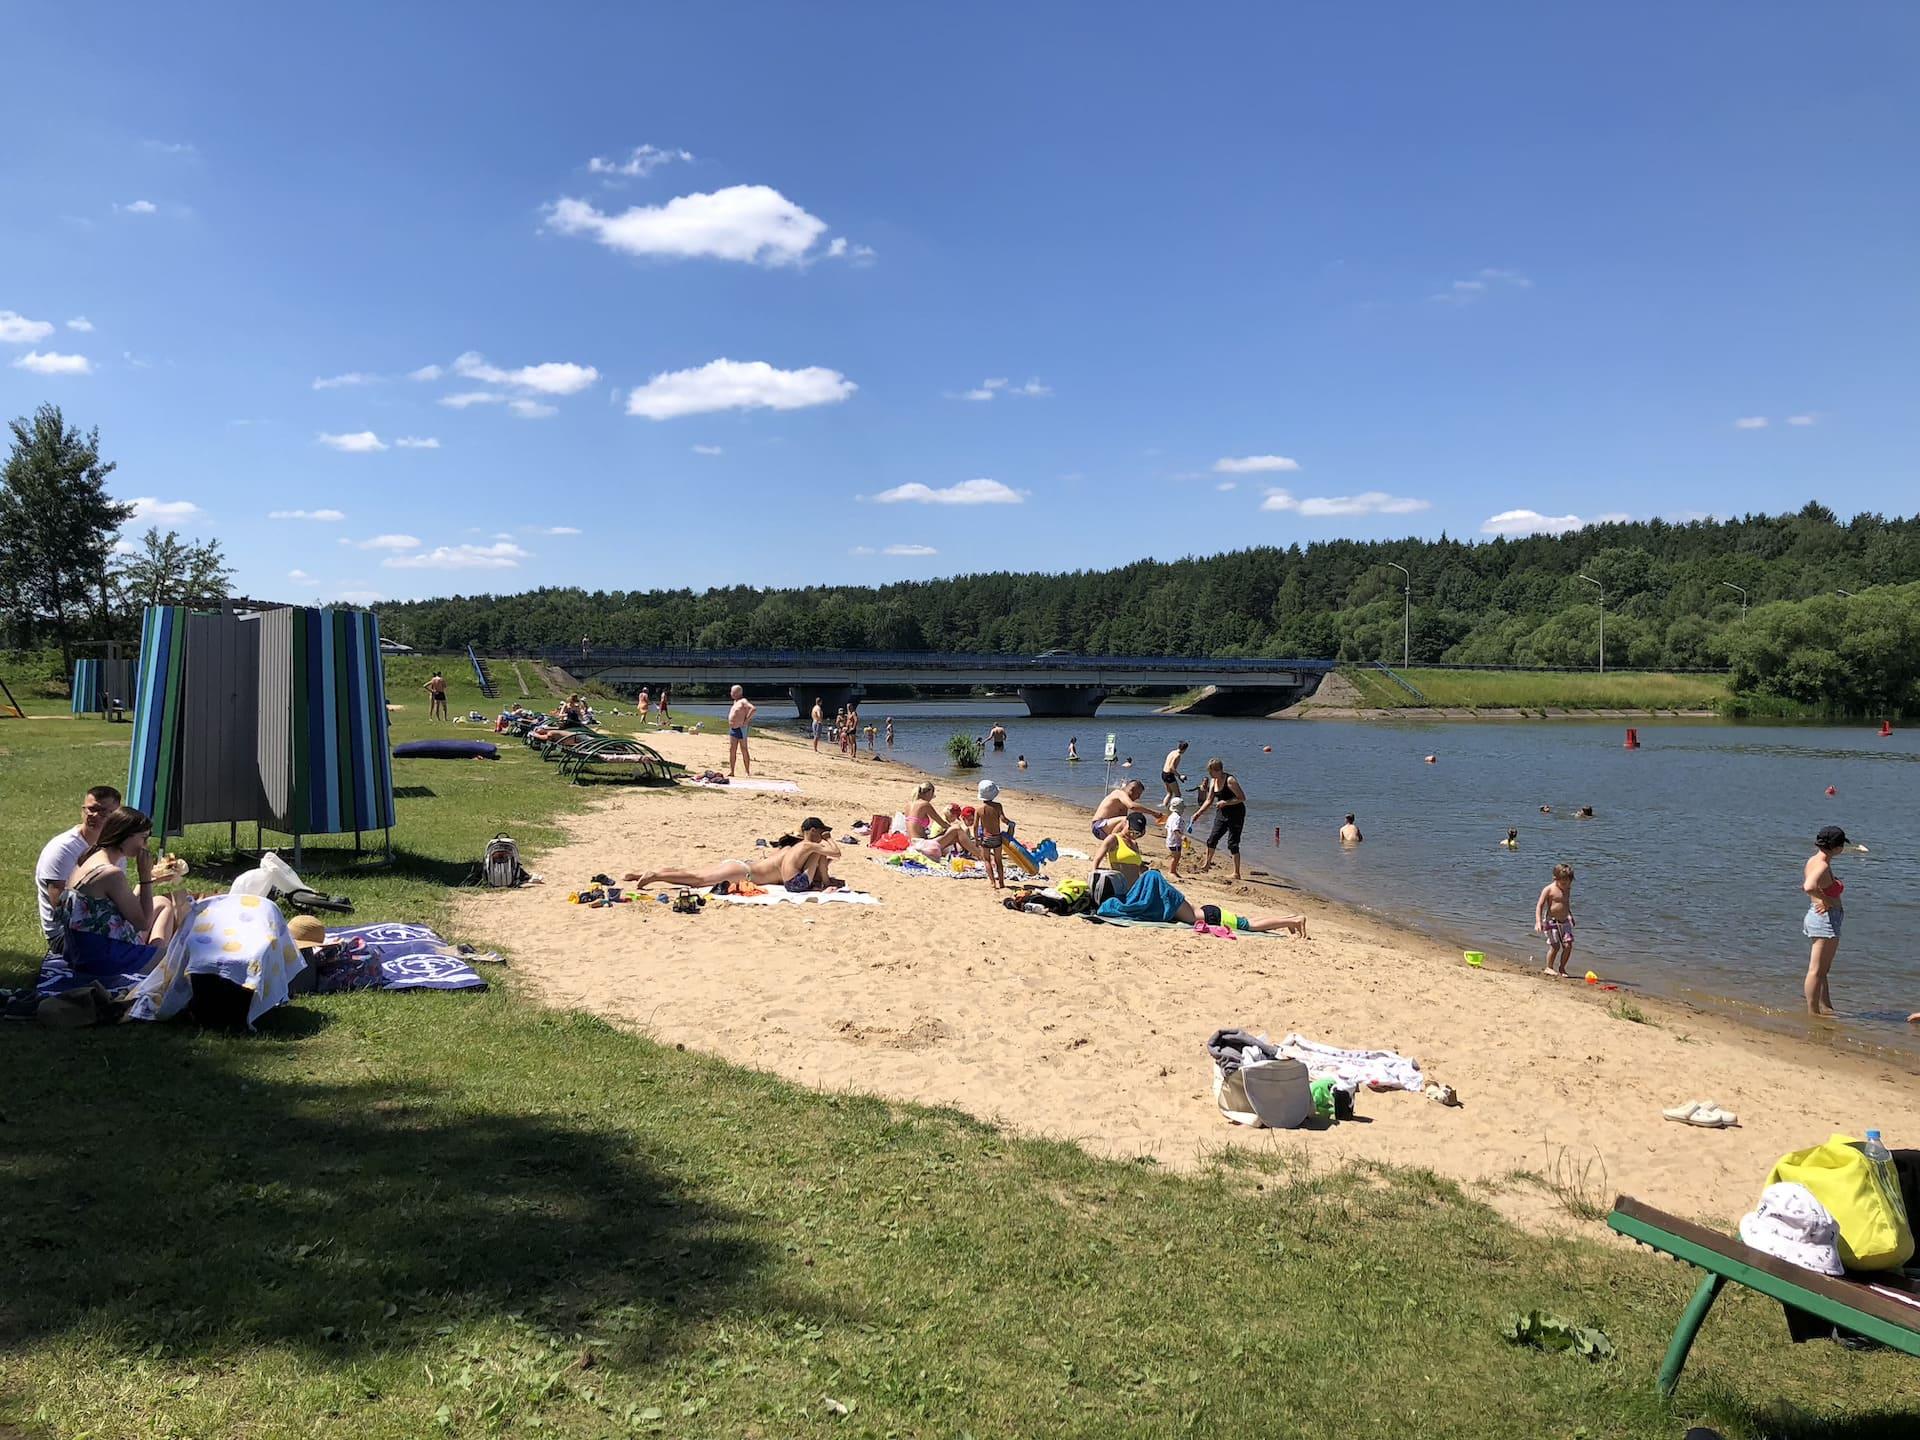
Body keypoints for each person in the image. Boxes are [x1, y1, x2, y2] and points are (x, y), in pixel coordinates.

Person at [1092, 816, 1305, 935]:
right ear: (1126, 823)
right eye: (1133, 830)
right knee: (1245, 921)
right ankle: (1289, 920)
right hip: (1165, 900)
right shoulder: (1113, 840)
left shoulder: (1162, 898)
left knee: (1246, 924)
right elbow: (1097, 862)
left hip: (1206, 913)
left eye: (1139, 833)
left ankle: (1292, 920)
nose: (1134, 835)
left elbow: (1143, 875)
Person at [61, 806, 193, 949]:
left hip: (83, 947)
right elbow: (143, 923)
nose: (145, 845)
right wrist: (145, 877)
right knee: (175, 957)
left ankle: (155, 959)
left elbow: (113, 907)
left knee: (162, 902)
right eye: (143, 838)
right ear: (124, 835)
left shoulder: (90, 857)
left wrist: (148, 882)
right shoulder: (111, 873)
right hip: (103, 957)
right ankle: (156, 963)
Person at [626, 818, 841, 892]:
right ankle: (655, 877)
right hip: (744, 873)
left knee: (693, 874)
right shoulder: (800, 851)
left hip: (740, 865)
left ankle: (644, 874)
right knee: (697, 880)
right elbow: (825, 861)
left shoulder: (786, 850)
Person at [36, 784, 121, 949]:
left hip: (103, 923)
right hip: (67, 936)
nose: (95, 815)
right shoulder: (62, 849)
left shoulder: (114, 847)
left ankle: (161, 965)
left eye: (104, 812)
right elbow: (62, 911)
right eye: (91, 809)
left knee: (168, 904)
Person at [1802, 825, 1850, 1017]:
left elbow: (1813, 887)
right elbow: (1808, 886)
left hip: (1821, 917)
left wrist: (1821, 899)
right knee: (1816, 971)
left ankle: (1826, 1007)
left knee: (1822, 969)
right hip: (1825, 921)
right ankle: (1813, 1013)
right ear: (1836, 847)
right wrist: (1827, 901)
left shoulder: (1814, 860)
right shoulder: (1821, 865)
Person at [1192, 757, 1249, 881]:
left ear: (1219, 770)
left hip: (1236, 813)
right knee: (1212, 839)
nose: (1210, 774)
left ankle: (1236, 873)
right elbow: (1209, 800)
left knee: (1232, 843)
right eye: (1209, 772)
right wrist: (1198, 813)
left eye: (1212, 772)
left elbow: (1242, 798)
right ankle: (1207, 865)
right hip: (1222, 812)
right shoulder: (1213, 781)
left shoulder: (1230, 780)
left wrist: (1226, 802)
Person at [1534, 863, 1576, 977]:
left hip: (1565, 922)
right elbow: (1540, 905)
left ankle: (1562, 968)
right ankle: (1549, 967)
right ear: (1555, 879)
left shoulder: (1567, 888)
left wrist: (1570, 915)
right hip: (1552, 922)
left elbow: (1566, 903)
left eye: (1568, 882)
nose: (1566, 885)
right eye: (1563, 883)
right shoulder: (1549, 889)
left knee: (1568, 945)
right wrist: (1538, 922)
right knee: (1555, 946)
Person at [1091, 779, 1163, 839]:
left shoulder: (1124, 801)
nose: (1138, 798)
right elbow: (1132, 806)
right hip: (1099, 826)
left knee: (1137, 827)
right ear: (1132, 790)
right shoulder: (1119, 793)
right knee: (1126, 820)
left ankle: (1124, 844)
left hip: (1107, 828)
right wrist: (1154, 813)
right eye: (1138, 794)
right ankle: (1112, 844)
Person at [975, 780, 1009, 890]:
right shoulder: (998, 806)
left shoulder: (979, 810)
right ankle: (1002, 882)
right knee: (998, 861)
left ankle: (992, 882)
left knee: (987, 860)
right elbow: (1003, 819)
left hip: (986, 838)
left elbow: (975, 826)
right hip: (997, 837)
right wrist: (1010, 823)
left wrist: (976, 839)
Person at [727, 685, 756, 777]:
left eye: (733, 692)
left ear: (738, 693)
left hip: (741, 728)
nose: (731, 694)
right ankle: (732, 771)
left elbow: (753, 709)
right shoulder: (735, 701)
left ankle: (747, 771)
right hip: (733, 729)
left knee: (743, 749)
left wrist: (746, 721)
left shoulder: (743, 701)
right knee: (732, 749)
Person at [1164, 795, 1188, 876]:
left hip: (1170, 840)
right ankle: (1172, 871)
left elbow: (1167, 827)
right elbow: (1175, 829)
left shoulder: (1171, 816)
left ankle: (1173, 870)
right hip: (1175, 842)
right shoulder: (1177, 818)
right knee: (1176, 857)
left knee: (1175, 856)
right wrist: (1182, 836)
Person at [1161, 740, 1189, 806]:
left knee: (1169, 793)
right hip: (1169, 775)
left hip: (1164, 773)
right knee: (1178, 794)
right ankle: (1175, 808)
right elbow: (1171, 767)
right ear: (1185, 749)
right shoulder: (1178, 755)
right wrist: (1179, 776)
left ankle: (1164, 806)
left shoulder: (1172, 752)